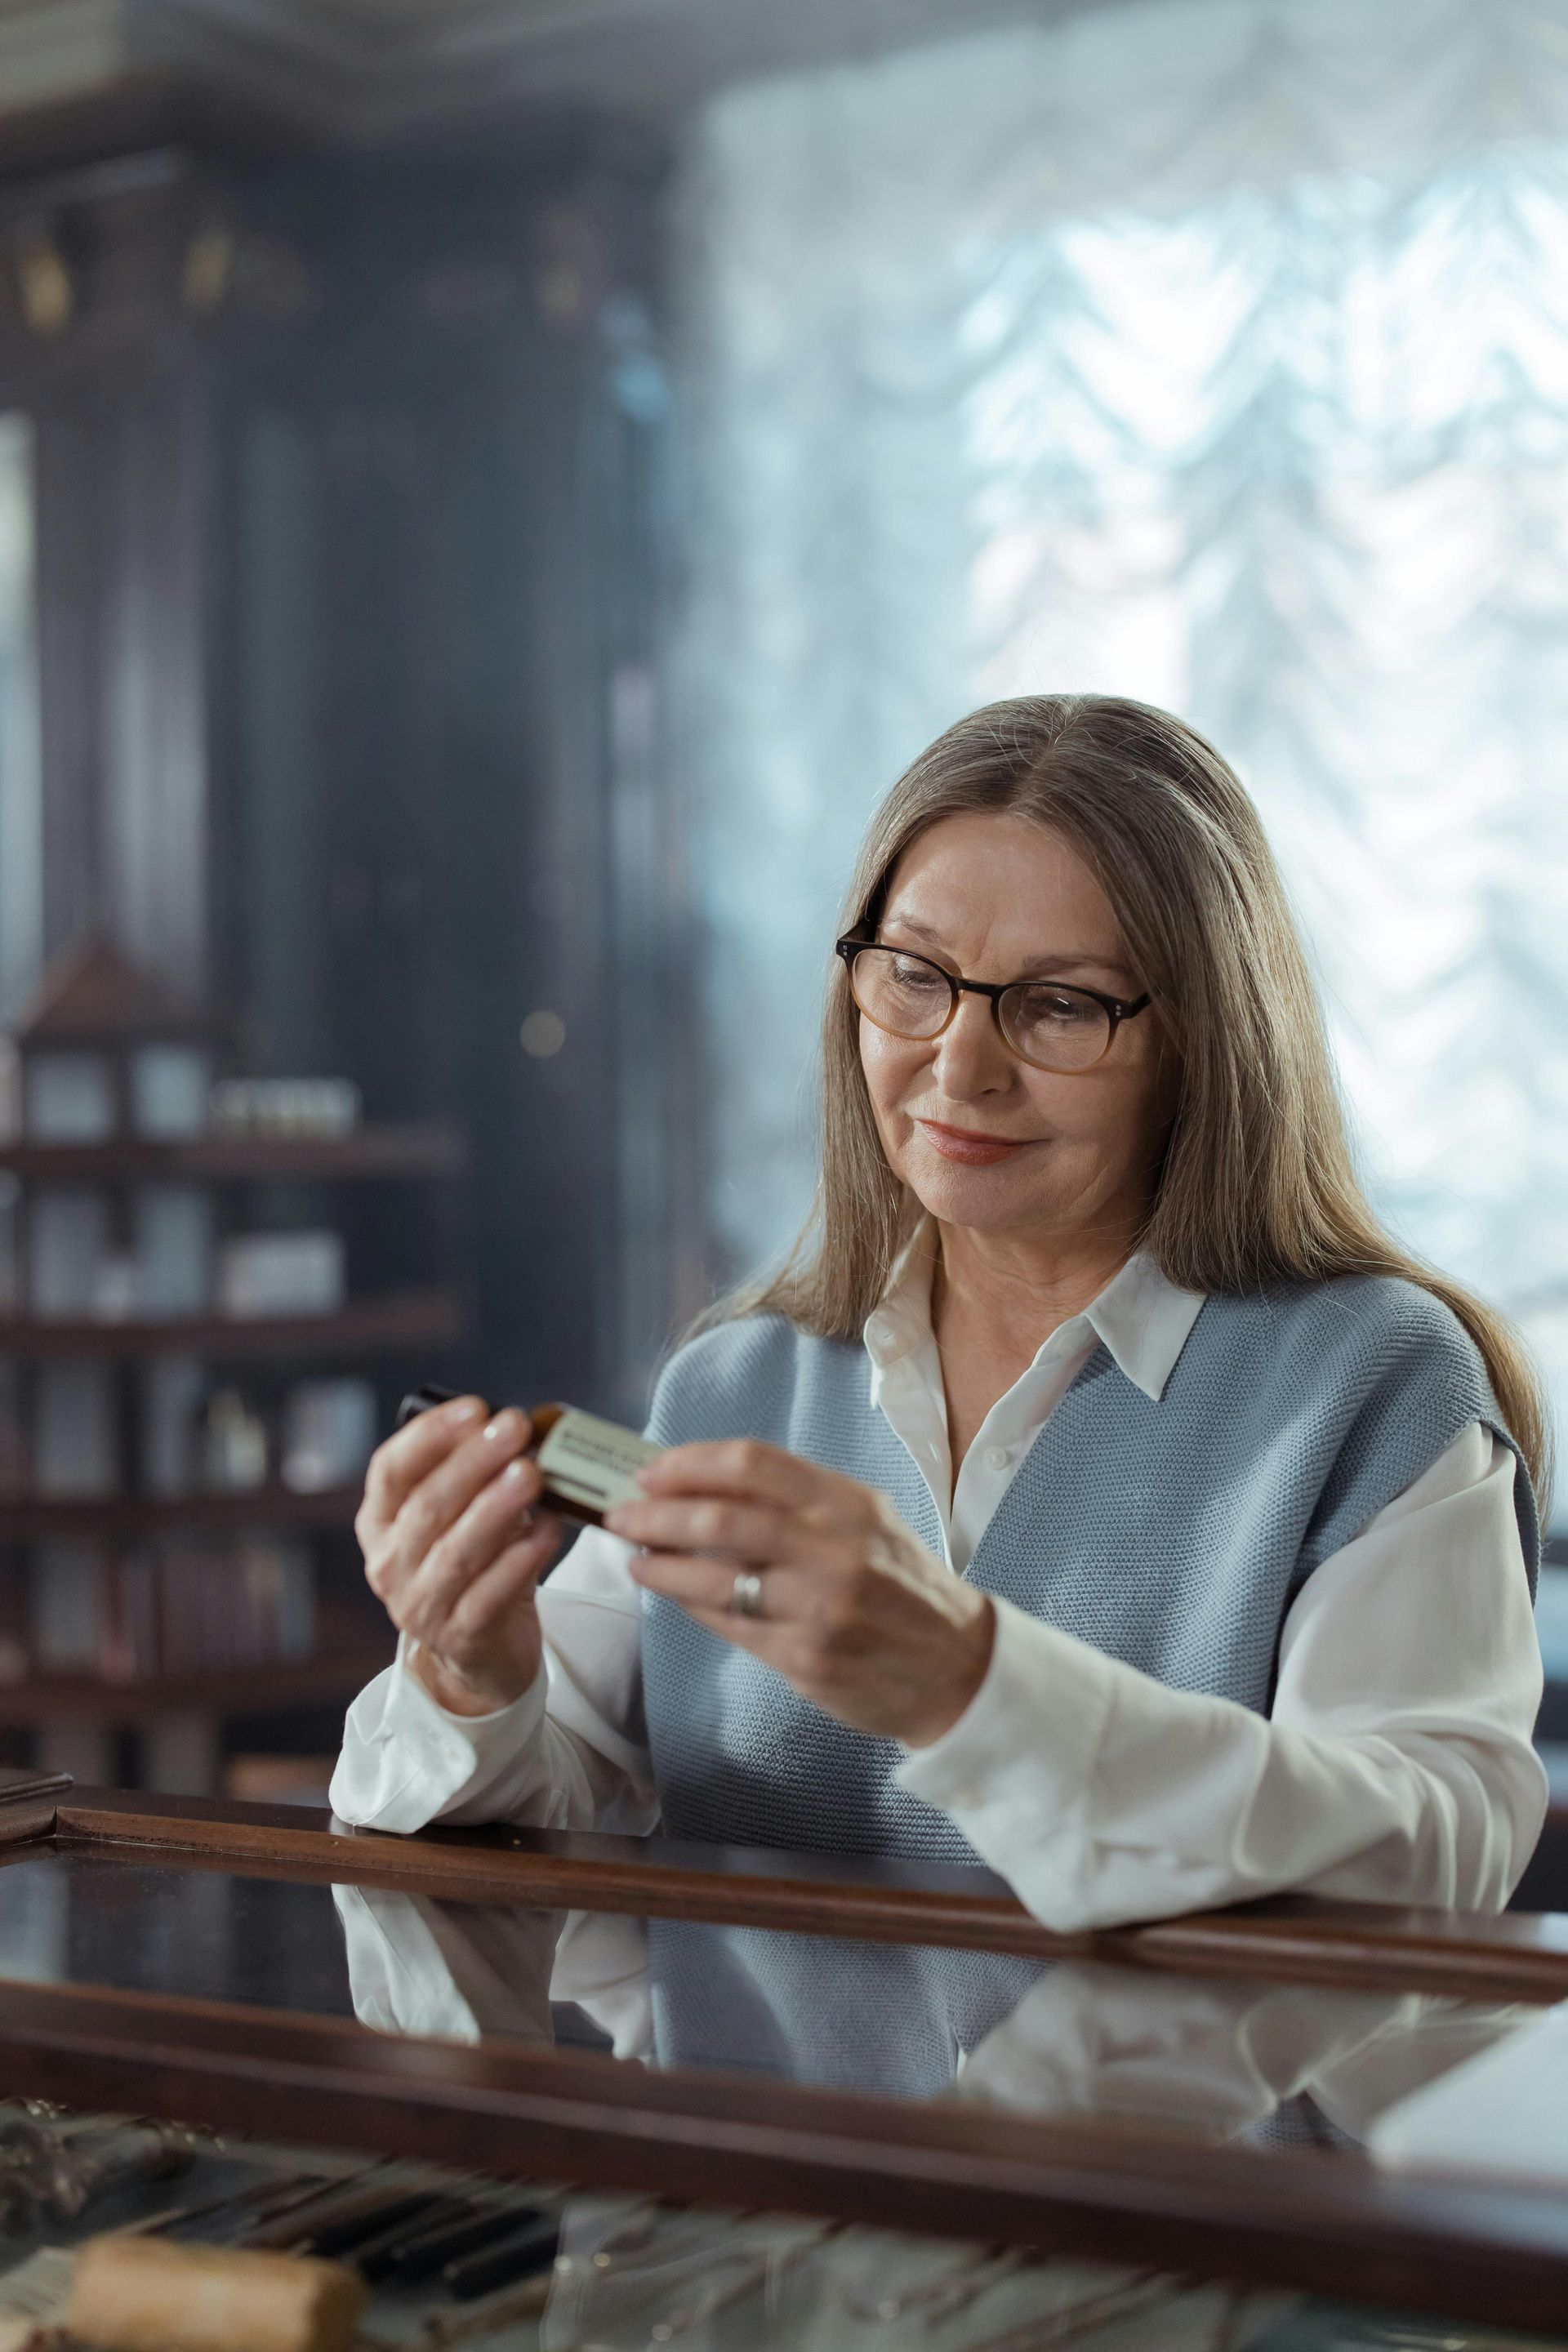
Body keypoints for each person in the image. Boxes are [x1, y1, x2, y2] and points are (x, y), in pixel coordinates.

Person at [331, 694, 1550, 1931]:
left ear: (1207, 1042)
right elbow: (554, 1810)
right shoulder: (734, 1385)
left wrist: (970, 1682)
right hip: (775, 2132)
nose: (960, 1066)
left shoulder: (1376, 1380)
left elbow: (1428, 1855)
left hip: (1177, 2132)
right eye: (914, 978)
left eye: (1061, 1004)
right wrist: (472, 1675)